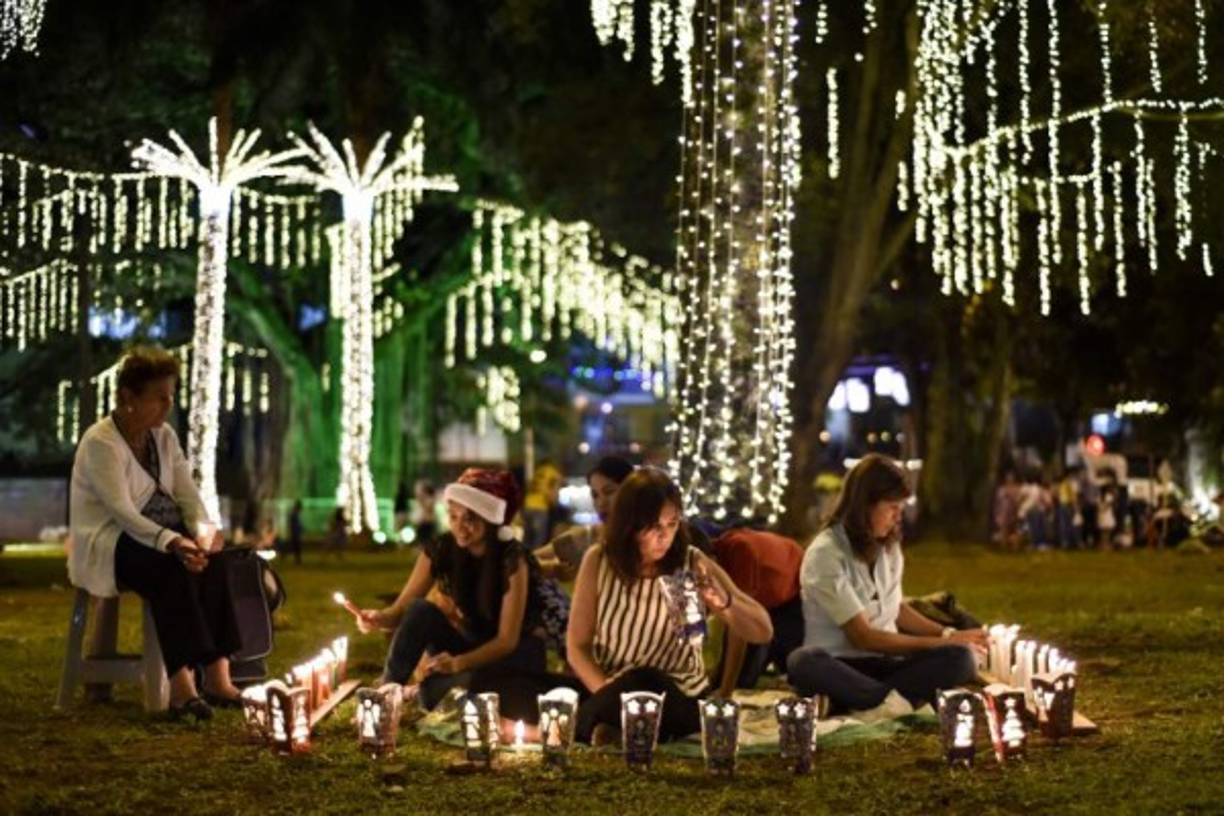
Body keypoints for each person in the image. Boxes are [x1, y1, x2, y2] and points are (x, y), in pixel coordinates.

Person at [67, 346, 239, 721]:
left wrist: (202, 533)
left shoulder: (163, 437)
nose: (167, 407)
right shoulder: (101, 443)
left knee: (216, 561)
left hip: (161, 537)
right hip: (111, 542)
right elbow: (123, 513)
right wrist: (174, 542)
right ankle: (181, 687)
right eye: (158, 398)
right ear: (129, 397)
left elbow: (186, 494)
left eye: (170, 397)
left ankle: (217, 676)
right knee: (170, 569)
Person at [567, 468, 773, 743]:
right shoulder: (600, 561)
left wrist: (721, 602)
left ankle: (573, 729)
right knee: (516, 682)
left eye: (672, 524)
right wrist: (608, 696)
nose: (664, 536)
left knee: (644, 680)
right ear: (630, 525)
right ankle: (616, 726)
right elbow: (577, 646)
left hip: (679, 696)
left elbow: (762, 631)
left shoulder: (690, 563)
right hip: (610, 689)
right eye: (653, 527)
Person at [787, 454, 985, 714]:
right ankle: (893, 699)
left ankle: (864, 701)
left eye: (901, 510)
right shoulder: (826, 553)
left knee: (961, 659)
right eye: (892, 508)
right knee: (803, 661)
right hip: (842, 665)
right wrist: (941, 643)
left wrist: (947, 635)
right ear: (865, 504)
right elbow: (864, 637)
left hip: (888, 664)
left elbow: (895, 608)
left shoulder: (888, 547)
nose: (897, 518)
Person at [356, 469, 555, 722]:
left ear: (490, 518)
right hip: (468, 645)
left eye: (471, 519)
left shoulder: (512, 559)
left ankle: (424, 692)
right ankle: (385, 695)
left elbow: (507, 640)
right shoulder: (442, 548)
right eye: (453, 516)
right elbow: (401, 611)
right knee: (420, 610)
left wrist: (459, 664)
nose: (460, 527)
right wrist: (379, 618)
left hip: (511, 657)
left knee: (442, 691)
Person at [709, 528, 805, 698]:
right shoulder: (721, 555)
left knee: (790, 670)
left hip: (792, 590)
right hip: (766, 595)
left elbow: (739, 629)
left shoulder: (739, 551)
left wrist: (726, 690)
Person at [536, 456, 635, 580]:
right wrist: (551, 569)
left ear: (631, 491)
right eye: (595, 495)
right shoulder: (589, 536)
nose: (601, 503)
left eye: (609, 492)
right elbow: (525, 561)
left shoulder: (654, 539)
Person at [286, 500, 304, 565]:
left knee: (296, 547)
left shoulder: (295, 514)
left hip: (296, 533)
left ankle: (297, 559)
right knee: (296, 547)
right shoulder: (294, 514)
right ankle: (297, 559)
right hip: (295, 533)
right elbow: (294, 524)